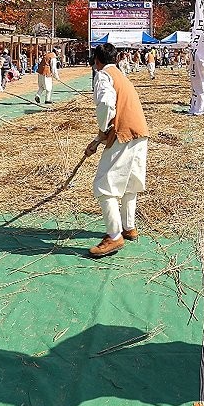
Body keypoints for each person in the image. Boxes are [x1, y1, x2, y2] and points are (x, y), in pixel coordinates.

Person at [82, 43, 149, 258]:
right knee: (130, 184)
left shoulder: (103, 75)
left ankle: (114, 236)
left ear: (96, 61)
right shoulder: (121, 75)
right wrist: (97, 139)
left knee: (104, 186)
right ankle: (129, 227)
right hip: (140, 133)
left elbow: (106, 105)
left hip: (123, 135)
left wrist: (102, 129)